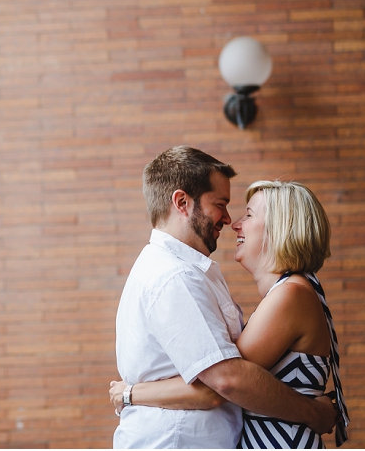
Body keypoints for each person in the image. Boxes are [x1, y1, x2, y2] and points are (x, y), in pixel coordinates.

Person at [112, 146, 337, 448]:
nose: (232, 221)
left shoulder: (290, 292)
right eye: (221, 204)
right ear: (181, 202)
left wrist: (130, 392)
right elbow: (225, 383)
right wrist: (313, 413)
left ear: (280, 228)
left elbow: (223, 384)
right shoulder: (175, 276)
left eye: (247, 214)